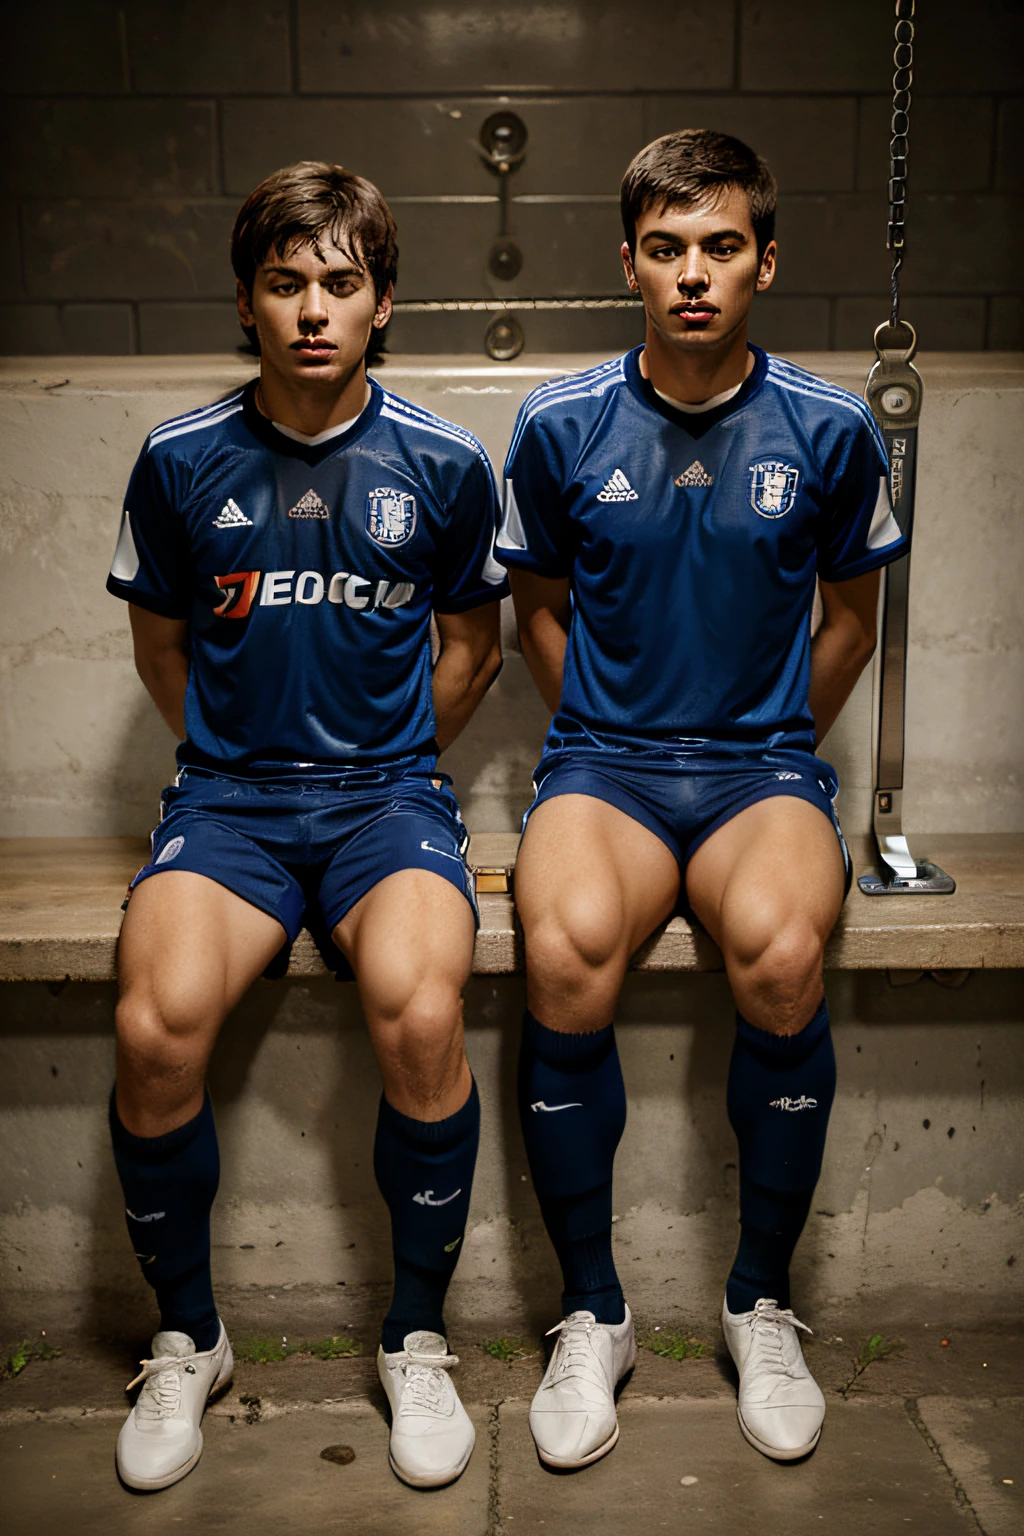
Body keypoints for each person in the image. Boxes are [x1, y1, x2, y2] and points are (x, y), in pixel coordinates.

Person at [495, 130, 906, 1469]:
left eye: (720, 246)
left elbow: (852, 614)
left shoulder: (831, 426)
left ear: (764, 261)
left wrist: (778, 736)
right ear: (628, 262)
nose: (691, 273)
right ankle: (591, 1316)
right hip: (605, 763)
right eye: (665, 248)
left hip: (758, 767)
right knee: (558, 951)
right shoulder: (560, 424)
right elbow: (536, 610)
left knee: (786, 954)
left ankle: (759, 1302)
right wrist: (600, 730)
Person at [105, 161, 508, 1492]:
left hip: (388, 802)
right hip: (228, 804)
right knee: (154, 1020)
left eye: (342, 282)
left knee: (420, 1006)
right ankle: (188, 1334)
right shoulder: (179, 459)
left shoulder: (444, 463)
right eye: (287, 282)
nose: (314, 309)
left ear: (383, 301)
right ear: (247, 299)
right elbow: (162, 647)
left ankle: (416, 1338)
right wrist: (237, 753)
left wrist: (387, 757)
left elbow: (473, 646)